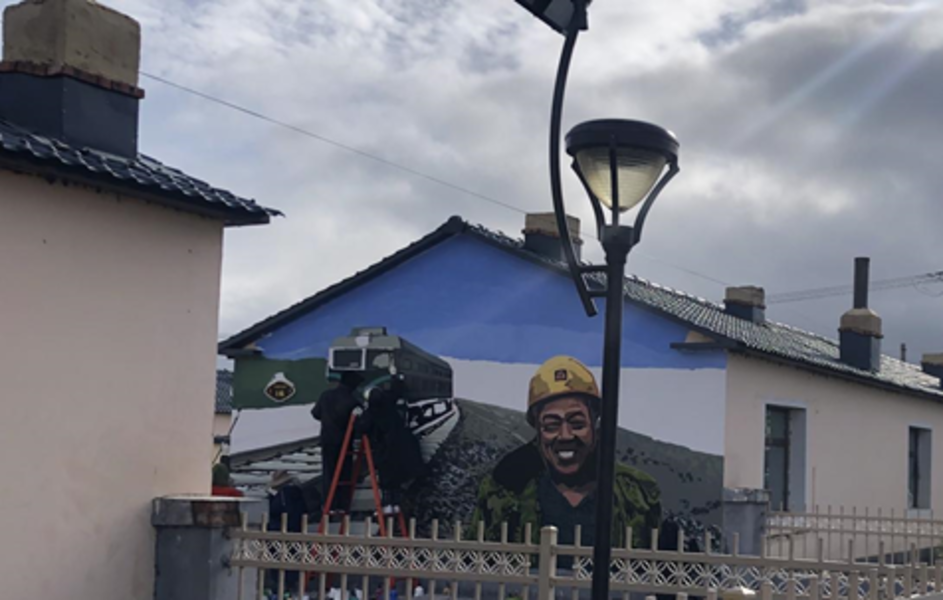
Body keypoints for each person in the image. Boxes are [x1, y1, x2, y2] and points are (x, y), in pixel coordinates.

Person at [470, 355, 662, 549]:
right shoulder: (505, 489)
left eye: (577, 423)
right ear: (537, 430)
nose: (565, 436)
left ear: (594, 423)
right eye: (551, 425)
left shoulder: (636, 493)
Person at [359, 375, 425, 514]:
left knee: (386, 479)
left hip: (384, 449)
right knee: (396, 478)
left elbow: (361, 428)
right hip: (401, 447)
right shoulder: (389, 405)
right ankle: (395, 504)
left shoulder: (370, 413)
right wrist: (396, 379)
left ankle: (387, 504)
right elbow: (396, 392)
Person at [312, 371, 363, 511]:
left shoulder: (326, 395)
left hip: (327, 439)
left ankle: (329, 503)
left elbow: (315, 414)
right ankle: (341, 504)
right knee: (344, 474)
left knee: (328, 473)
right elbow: (360, 423)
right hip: (344, 442)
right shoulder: (352, 401)